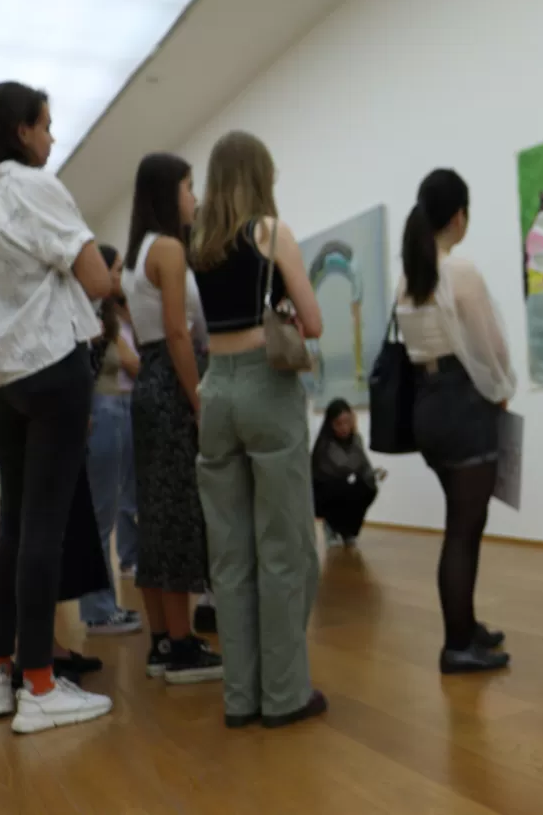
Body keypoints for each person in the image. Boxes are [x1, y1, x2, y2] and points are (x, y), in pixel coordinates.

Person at [0, 81, 114, 733]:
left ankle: (0, 674)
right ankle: (43, 686)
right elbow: (99, 279)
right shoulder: (35, 187)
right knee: (44, 526)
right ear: (21, 131)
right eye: (46, 125)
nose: (52, 136)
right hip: (50, 367)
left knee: (14, 525)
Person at [190, 130, 325, 728]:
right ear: (260, 174)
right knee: (284, 547)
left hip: (215, 389)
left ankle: (239, 699)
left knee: (230, 554)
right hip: (267, 389)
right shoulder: (270, 232)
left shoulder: (199, 244)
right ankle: (285, 695)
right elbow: (314, 322)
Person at [396, 168, 516, 675]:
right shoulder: (459, 272)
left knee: (459, 523)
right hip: (464, 408)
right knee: (464, 530)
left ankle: (466, 627)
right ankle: (456, 645)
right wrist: (503, 391)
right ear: (459, 215)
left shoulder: (411, 276)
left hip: (427, 409)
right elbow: (490, 348)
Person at [123, 152, 223, 685]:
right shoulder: (168, 248)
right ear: (169, 192)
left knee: (156, 514)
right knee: (180, 512)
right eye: (188, 186)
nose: (195, 197)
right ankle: (183, 645)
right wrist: (199, 400)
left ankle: (163, 639)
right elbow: (178, 332)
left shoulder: (138, 252)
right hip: (173, 380)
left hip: (149, 383)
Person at [77, 244, 142, 635]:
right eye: (115, 270)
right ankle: (98, 611)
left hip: (112, 410)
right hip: (101, 411)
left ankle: (102, 606)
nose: (118, 278)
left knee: (104, 512)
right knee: (100, 516)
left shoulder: (105, 314)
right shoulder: (88, 317)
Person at [311, 398, 386, 547]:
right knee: (340, 487)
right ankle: (331, 526)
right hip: (322, 494)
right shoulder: (326, 444)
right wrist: (365, 468)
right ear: (330, 424)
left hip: (342, 487)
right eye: (339, 423)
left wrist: (374, 473)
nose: (344, 428)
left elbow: (363, 466)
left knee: (368, 487)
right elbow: (345, 465)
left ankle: (348, 532)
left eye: (348, 422)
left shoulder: (355, 439)